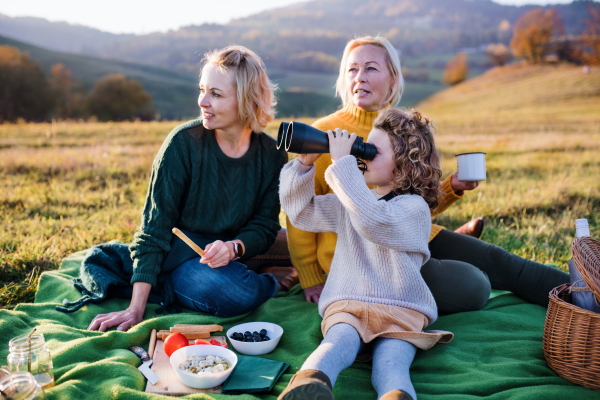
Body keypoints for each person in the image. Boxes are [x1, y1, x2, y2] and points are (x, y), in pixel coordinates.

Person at [286, 36, 569, 314]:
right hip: (362, 259)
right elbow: (301, 216)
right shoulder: (326, 135)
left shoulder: (401, 127)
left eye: (370, 68)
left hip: (413, 237)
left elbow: (410, 204)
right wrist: (311, 277)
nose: (359, 76)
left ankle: (583, 292)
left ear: (393, 80)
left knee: (499, 260)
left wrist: (449, 188)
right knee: (473, 284)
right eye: (352, 69)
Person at [88, 45, 295, 332]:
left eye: (216, 94)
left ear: (248, 100)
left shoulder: (271, 153)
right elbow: (154, 230)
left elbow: (264, 225)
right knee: (236, 292)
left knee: (311, 242)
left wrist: (234, 248)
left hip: (235, 245)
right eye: (202, 90)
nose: (202, 101)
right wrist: (135, 309)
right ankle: (269, 279)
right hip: (186, 257)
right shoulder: (182, 144)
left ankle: (252, 266)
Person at [279, 108, 453, 400]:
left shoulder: (415, 209)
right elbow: (302, 213)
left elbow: (374, 221)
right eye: (365, 147)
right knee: (336, 342)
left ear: (408, 166)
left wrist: (344, 163)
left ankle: (395, 395)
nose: (364, 155)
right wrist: (303, 165)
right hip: (350, 304)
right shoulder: (356, 198)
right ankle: (308, 386)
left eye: (373, 151)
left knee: (391, 364)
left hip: (399, 308)